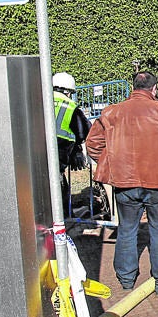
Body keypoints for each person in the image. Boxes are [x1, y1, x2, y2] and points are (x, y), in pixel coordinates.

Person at [85, 71, 158, 293]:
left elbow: (93, 143)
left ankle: (126, 279)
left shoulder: (112, 113)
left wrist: (113, 161)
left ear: (133, 88)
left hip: (125, 183)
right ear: (154, 89)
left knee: (126, 228)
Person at [52, 72, 91, 214]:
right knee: (59, 190)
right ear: (68, 92)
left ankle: (66, 214)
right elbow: (84, 131)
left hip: (33, 159)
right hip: (57, 158)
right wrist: (78, 151)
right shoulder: (69, 106)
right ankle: (63, 220)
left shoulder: (38, 100)